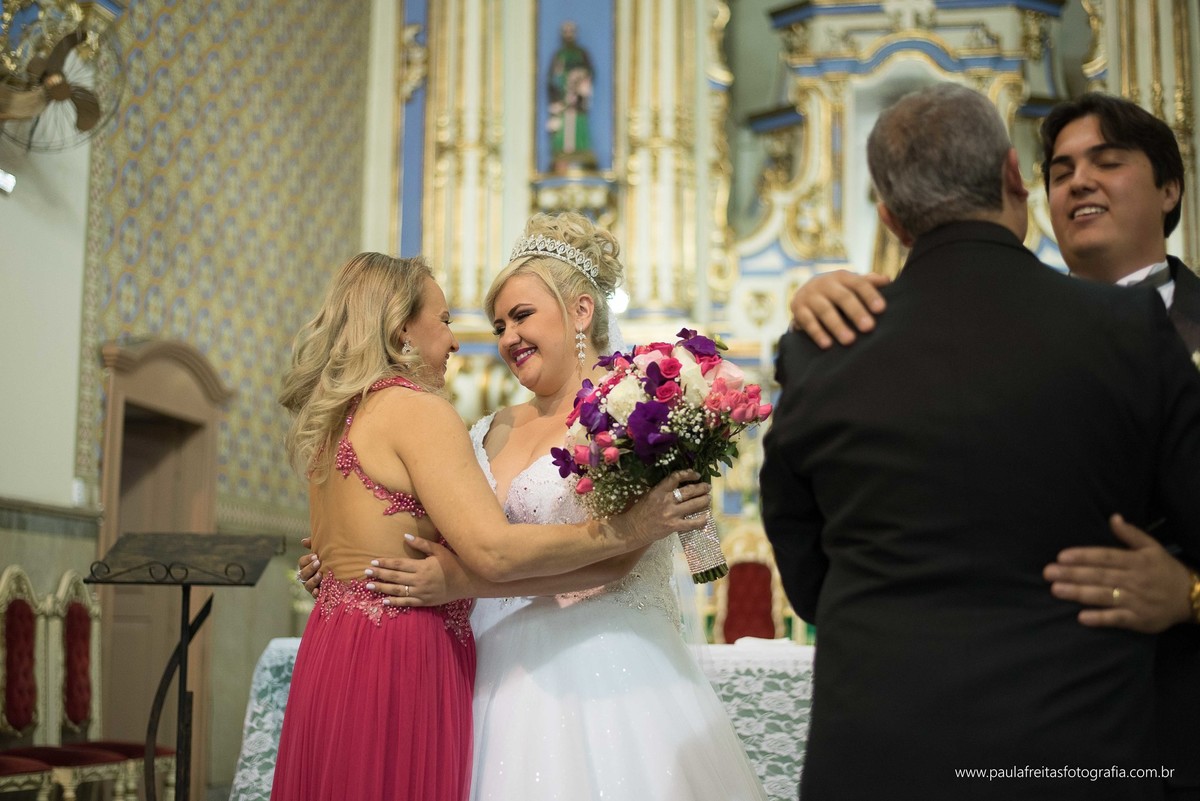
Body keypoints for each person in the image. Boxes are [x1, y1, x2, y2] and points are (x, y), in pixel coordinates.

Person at [760, 83, 1200, 800]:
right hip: (1073, 754)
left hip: (878, 761)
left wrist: (1189, 594)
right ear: (1015, 177)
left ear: (891, 217)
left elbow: (810, 583)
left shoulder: (819, 350)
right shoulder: (1124, 329)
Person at [301, 213, 768, 800]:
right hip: (485, 671)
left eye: (521, 316)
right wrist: (349, 562)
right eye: (498, 325)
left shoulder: (634, 408)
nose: (506, 339)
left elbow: (621, 556)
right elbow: (443, 535)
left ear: (580, 311)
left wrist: (457, 581)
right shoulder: (480, 431)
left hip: (605, 670)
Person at [546, 21, 596, 173]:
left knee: (578, 124)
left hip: (577, 100)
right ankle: (562, 153)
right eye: (565, 32)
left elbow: (590, 72)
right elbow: (552, 77)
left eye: (571, 32)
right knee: (562, 127)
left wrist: (579, 83)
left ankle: (580, 150)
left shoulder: (581, 53)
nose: (568, 35)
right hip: (564, 99)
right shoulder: (559, 55)